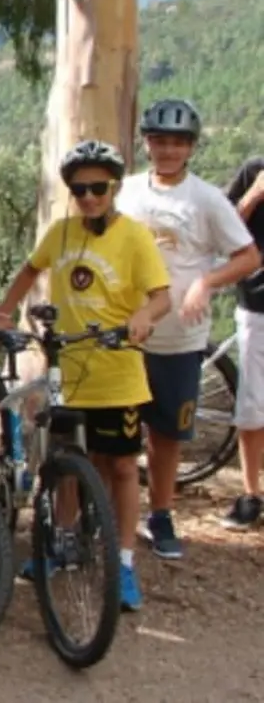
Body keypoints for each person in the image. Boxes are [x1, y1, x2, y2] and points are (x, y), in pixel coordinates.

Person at [0, 139, 171, 612]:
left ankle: (124, 563)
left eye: (98, 187)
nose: (89, 197)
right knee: (66, 461)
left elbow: (162, 295)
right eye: (79, 189)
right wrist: (4, 312)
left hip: (118, 372)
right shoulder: (62, 232)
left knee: (123, 466)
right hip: (69, 370)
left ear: (113, 186)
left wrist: (145, 317)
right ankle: (64, 543)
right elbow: (30, 270)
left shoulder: (134, 236)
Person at [116, 99, 258, 557]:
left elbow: (249, 256)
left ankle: (160, 515)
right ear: (146, 143)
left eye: (178, 142)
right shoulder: (126, 192)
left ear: (191, 147)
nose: (168, 150)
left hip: (180, 337)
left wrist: (206, 282)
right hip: (125, 333)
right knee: (115, 433)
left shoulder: (207, 199)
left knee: (166, 435)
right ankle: (112, 519)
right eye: (159, 141)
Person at [222, 155, 264, 530]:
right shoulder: (253, 169)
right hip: (258, 306)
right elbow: (223, 230)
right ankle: (251, 494)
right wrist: (253, 196)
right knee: (252, 407)